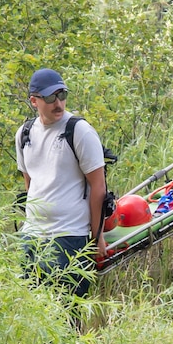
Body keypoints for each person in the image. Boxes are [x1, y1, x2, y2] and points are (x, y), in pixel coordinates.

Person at [15, 67, 108, 298]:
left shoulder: (79, 131)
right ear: (34, 101)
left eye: (62, 95)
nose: (58, 103)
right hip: (33, 238)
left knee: (66, 315)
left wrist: (97, 238)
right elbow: (30, 182)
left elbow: (99, 187)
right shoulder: (24, 133)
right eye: (50, 97)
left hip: (69, 237)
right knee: (34, 315)